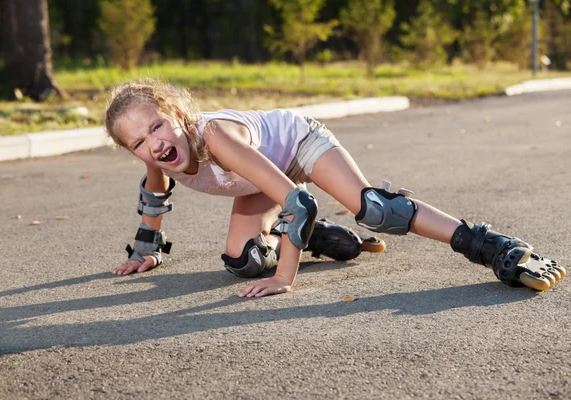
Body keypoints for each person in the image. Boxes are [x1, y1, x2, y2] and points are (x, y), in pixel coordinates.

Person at [104, 78, 565, 298]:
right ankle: (320, 238)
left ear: (178, 115)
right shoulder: (159, 162)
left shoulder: (217, 138)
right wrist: (148, 249)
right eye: (138, 143)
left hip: (300, 144)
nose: (154, 144)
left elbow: (297, 200)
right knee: (243, 261)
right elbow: (154, 200)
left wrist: (285, 279)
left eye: (157, 127)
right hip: (263, 174)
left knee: (376, 210)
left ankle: (493, 246)